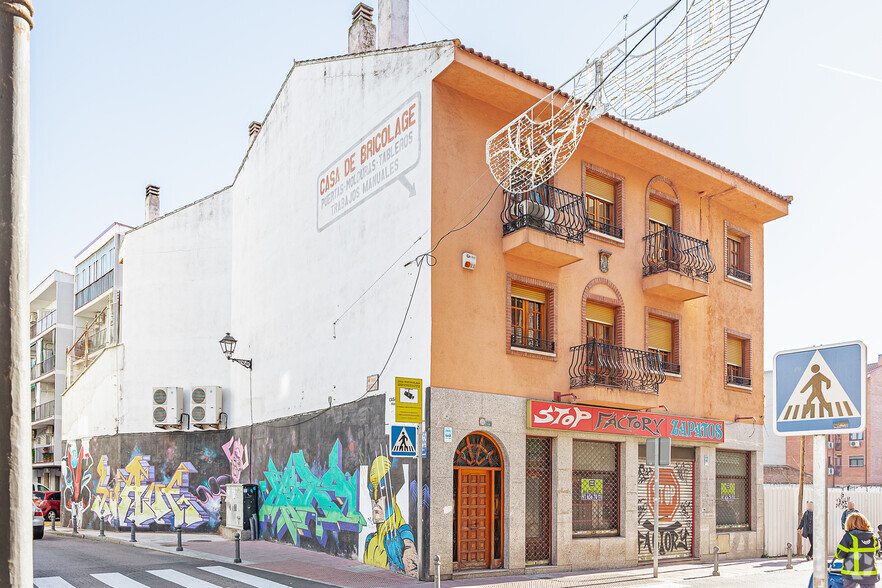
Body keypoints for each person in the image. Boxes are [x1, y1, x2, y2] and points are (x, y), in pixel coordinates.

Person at [836, 512, 879, 587]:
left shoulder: (849, 536)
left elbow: (840, 554)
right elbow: (876, 552)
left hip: (851, 573)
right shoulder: (873, 537)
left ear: (850, 524)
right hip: (869, 573)